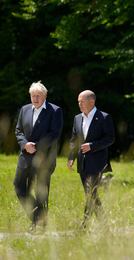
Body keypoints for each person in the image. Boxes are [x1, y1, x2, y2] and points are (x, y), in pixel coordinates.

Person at [14, 81, 63, 231]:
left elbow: (54, 134)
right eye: (32, 96)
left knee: (41, 191)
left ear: (45, 96)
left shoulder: (55, 111)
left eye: (38, 96)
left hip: (44, 158)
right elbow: (18, 130)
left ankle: (38, 225)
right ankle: (39, 217)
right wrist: (24, 144)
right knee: (19, 186)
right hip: (25, 157)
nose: (35, 99)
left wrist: (35, 146)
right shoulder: (25, 109)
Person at [68, 90, 115, 227]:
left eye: (81, 101)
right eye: (78, 101)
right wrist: (71, 157)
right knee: (91, 194)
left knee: (91, 193)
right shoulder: (77, 118)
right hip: (82, 162)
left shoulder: (104, 117)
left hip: (98, 162)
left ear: (91, 102)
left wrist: (92, 146)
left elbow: (110, 139)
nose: (79, 104)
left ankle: (84, 224)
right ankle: (104, 223)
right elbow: (74, 139)